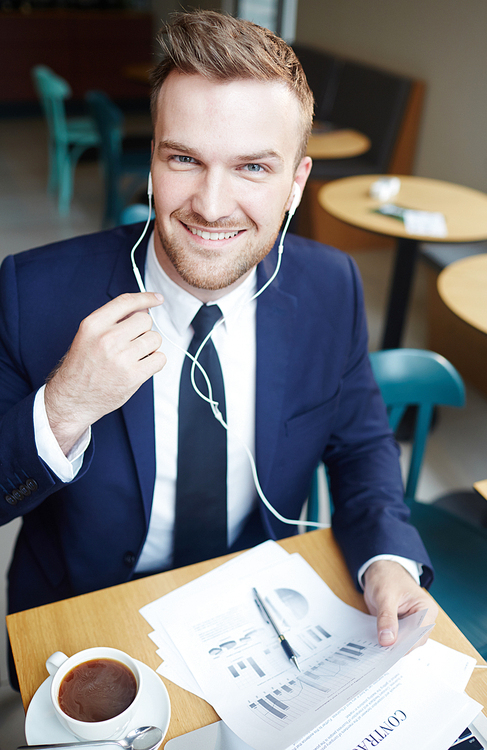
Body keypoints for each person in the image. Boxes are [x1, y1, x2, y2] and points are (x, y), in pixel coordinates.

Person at [0, 10, 437, 671]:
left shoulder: (331, 286)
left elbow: (362, 447)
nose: (210, 204)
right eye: (184, 159)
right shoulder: (34, 292)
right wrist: (62, 408)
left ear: (296, 183)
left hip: (259, 618)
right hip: (88, 616)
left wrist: (389, 558)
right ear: (153, 160)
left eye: (253, 168)